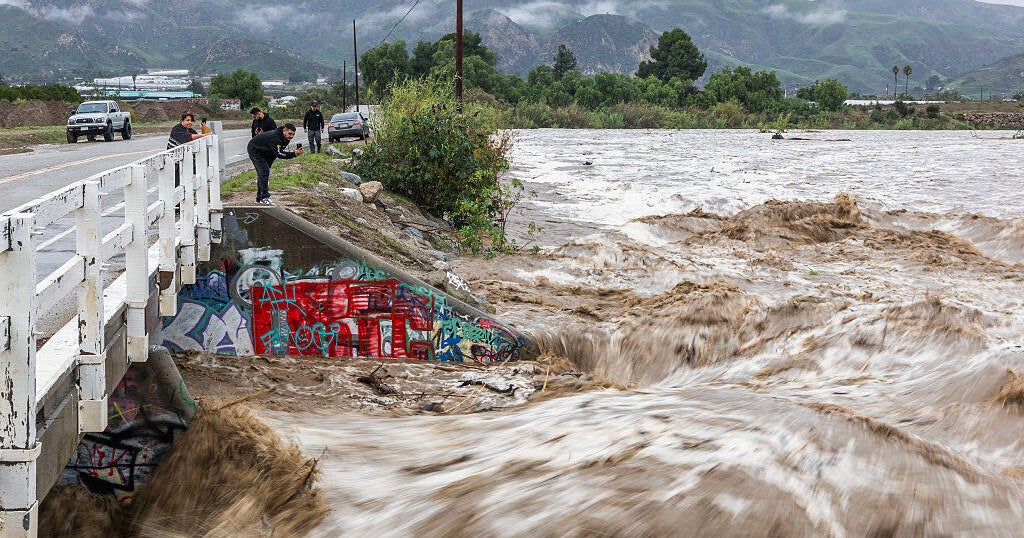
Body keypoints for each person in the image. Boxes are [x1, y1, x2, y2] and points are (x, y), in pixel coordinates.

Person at [247, 123, 303, 206]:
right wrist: (294, 154)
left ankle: (259, 198)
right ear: (284, 131)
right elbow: (280, 154)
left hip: (267, 151)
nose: (291, 136)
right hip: (255, 150)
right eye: (290, 134)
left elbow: (277, 152)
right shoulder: (275, 138)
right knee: (264, 172)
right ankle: (264, 197)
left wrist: (268, 165)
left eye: (293, 134)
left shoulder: (285, 137)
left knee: (265, 172)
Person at [167, 112, 211, 187]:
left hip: (185, 159)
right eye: (187, 120)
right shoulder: (177, 129)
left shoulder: (190, 130)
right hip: (174, 160)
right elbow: (189, 137)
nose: (189, 122)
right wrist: (204, 134)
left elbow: (198, 139)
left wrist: (203, 130)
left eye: (191, 121)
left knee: (199, 172)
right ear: (182, 121)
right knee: (176, 183)